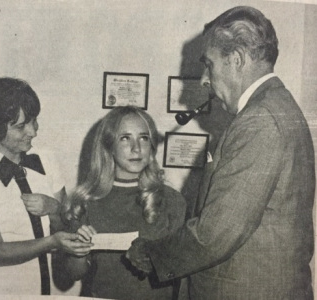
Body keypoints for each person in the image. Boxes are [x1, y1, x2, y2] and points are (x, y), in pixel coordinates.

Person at [126, 6, 315, 300]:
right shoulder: (275, 108)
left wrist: (152, 254)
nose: (205, 79)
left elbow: (216, 234)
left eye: (209, 65)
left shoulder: (260, 119)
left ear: (236, 60)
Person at [0, 77, 80, 295]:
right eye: (21, 126)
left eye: (34, 121)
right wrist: (51, 242)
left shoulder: (46, 160)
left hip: (41, 287)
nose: (33, 132)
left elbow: (66, 224)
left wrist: (54, 208)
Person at [60, 106, 186, 300]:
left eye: (143, 138)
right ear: (109, 145)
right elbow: (73, 275)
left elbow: (184, 270)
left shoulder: (172, 200)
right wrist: (79, 252)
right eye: (125, 138)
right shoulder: (85, 201)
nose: (136, 148)